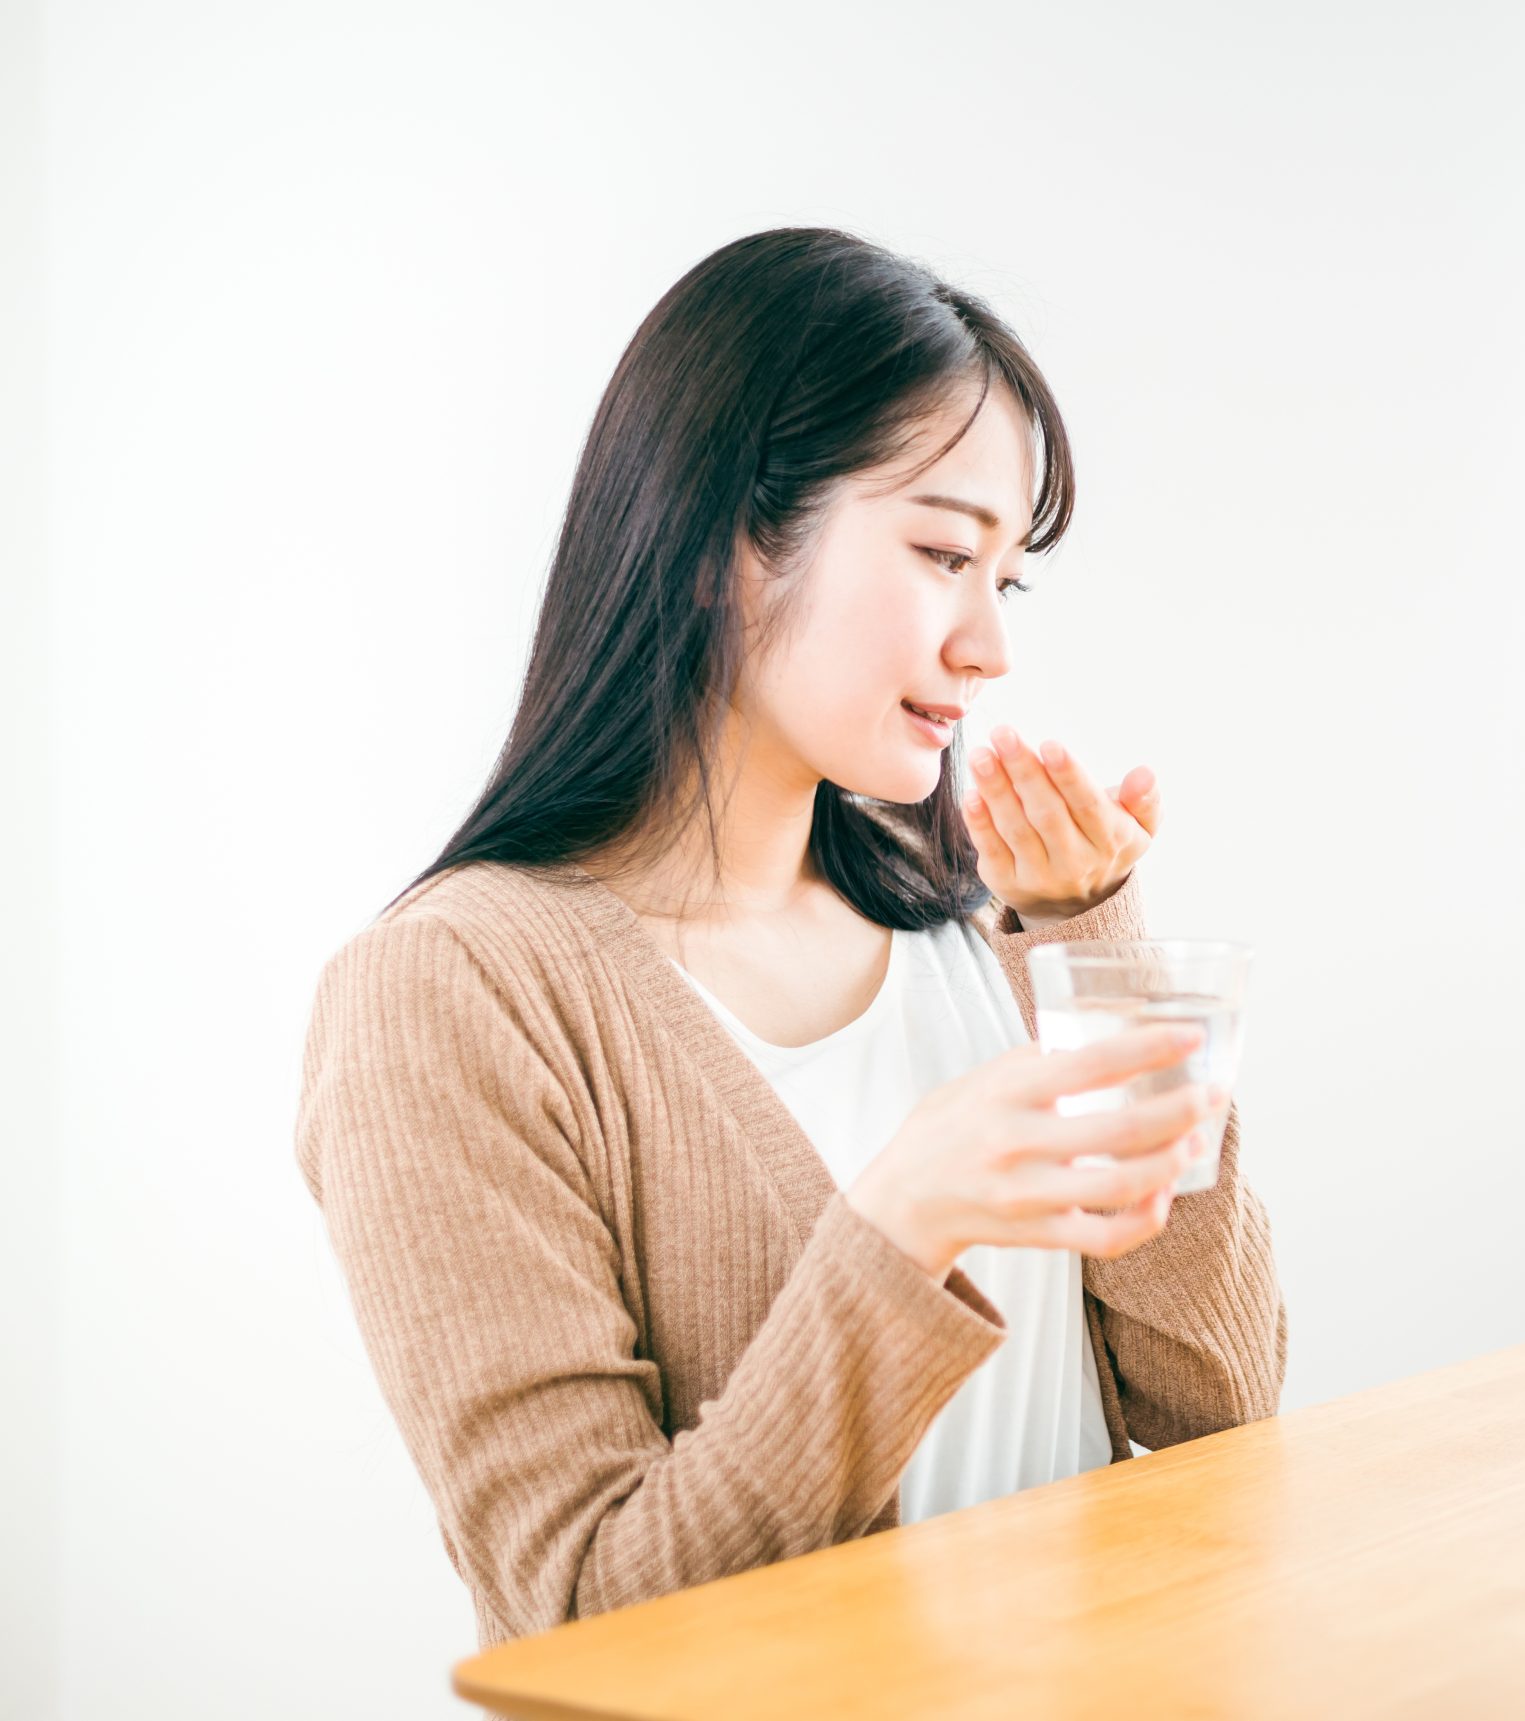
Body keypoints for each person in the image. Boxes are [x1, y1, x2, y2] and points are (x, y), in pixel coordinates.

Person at [292, 228, 1286, 1653]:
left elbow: (1221, 1410)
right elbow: (577, 1609)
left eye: (1005, 579)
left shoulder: (971, 927)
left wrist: (1091, 947)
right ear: (718, 545)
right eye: (944, 551)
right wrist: (901, 1223)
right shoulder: (444, 996)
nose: (989, 646)